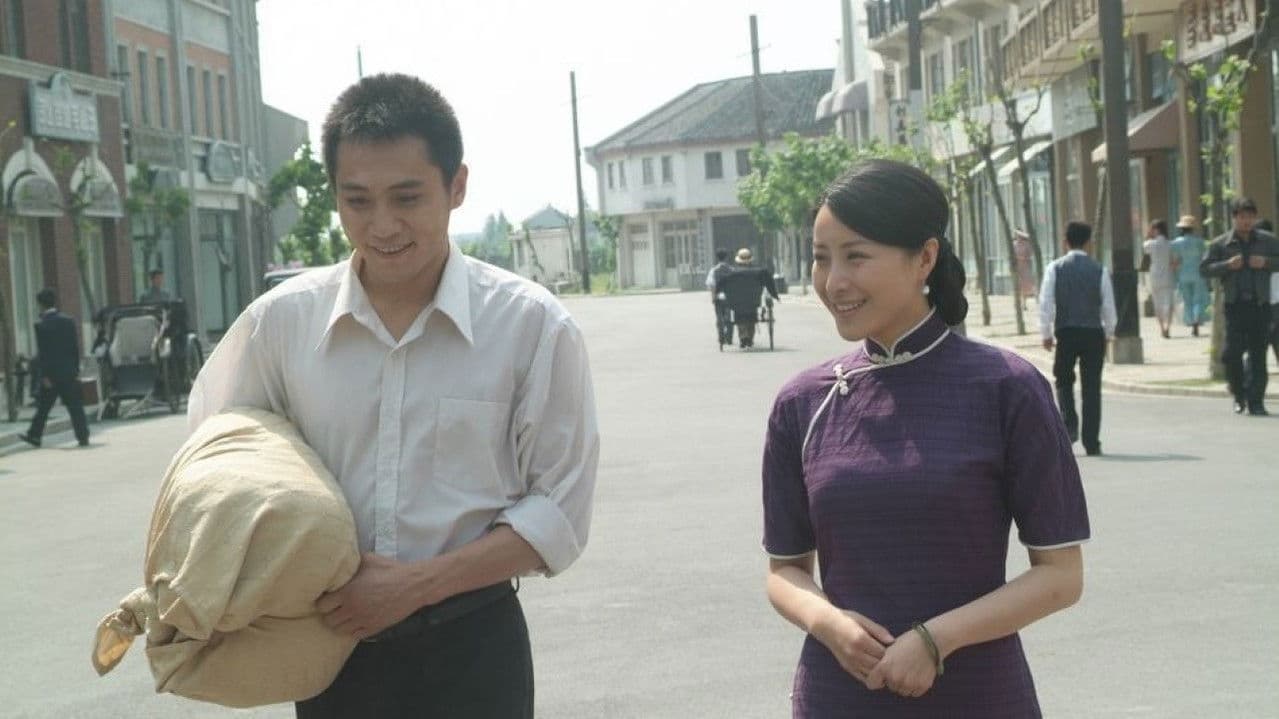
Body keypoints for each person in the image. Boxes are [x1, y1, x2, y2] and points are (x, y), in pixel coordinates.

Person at [187, 73, 599, 718]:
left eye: (407, 197)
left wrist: (415, 586)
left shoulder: (530, 326)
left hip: (474, 651)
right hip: (330, 657)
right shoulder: (280, 324)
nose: (382, 225)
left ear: (456, 186)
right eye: (357, 201)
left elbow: (560, 513)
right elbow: (220, 463)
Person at [762, 159, 1088, 717]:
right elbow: (784, 570)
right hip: (839, 694)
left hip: (979, 695)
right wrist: (830, 624)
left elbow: (1060, 576)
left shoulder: (1007, 388)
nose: (833, 282)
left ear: (925, 258)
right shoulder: (802, 402)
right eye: (821, 258)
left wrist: (936, 640)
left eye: (855, 256)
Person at [1039, 221, 1117, 456]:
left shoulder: (1055, 268)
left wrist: (1046, 333)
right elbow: (1108, 305)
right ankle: (1092, 441)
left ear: (1066, 242)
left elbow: (1046, 302)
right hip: (1093, 332)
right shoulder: (1099, 270)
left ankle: (1069, 426)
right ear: (1088, 243)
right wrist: (1109, 332)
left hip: (1066, 331)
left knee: (1063, 380)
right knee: (1092, 387)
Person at [1200, 197, 1279, 416]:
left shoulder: (1268, 241)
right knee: (1231, 354)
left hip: (1260, 305)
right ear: (1234, 218)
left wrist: (1266, 263)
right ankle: (1238, 392)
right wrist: (1227, 265)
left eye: (1250, 217)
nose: (1246, 221)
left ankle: (1256, 401)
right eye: (1242, 217)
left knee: (1258, 356)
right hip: (1235, 306)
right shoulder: (1221, 243)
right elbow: (1204, 269)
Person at [18, 289, 91, 448]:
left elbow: (43, 353)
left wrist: (44, 375)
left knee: (43, 408)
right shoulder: (68, 321)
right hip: (69, 372)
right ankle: (83, 436)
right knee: (75, 406)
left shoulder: (41, 325)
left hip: (51, 375)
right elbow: (74, 348)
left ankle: (34, 435)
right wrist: (76, 370)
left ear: (40, 304)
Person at [719, 247, 779, 348]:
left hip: (737, 304)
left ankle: (743, 337)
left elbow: (722, 286)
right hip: (753, 302)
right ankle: (749, 338)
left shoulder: (731, 273)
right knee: (752, 317)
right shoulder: (759, 273)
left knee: (739, 317)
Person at [1169, 215, 1209, 336]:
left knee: (1187, 301)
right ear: (1193, 229)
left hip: (1183, 274)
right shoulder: (1200, 242)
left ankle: (1191, 322)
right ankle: (1197, 321)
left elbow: (1175, 260)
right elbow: (1204, 257)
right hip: (1198, 273)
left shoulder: (1176, 243)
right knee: (1198, 299)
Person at [1142, 219, 1175, 338]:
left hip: (1155, 276)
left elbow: (1144, 248)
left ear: (1156, 230)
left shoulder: (1150, 244)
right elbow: (1173, 261)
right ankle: (1168, 327)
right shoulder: (1170, 244)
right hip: (1168, 275)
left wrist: (1148, 235)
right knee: (1169, 302)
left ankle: (1162, 328)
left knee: (1157, 303)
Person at [705, 248, 734, 345]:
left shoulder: (713, 270)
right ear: (726, 257)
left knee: (719, 317)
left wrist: (713, 297)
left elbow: (711, 285)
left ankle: (720, 336)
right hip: (729, 297)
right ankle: (729, 337)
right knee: (729, 317)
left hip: (718, 297)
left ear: (717, 258)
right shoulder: (731, 270)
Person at [1012, 229, 1036, 309]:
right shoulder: (1014, 245)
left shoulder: (1027, 245)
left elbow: (1031, 254)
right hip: (1016, 268)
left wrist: (1024, 258)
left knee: (1024, 287)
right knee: (1017, 286)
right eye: (1017, 235)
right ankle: (1017, 302)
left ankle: (1024, 304)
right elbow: (1011, 256)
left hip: (1025, 267)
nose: (1018, 237)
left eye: (1020, 235)